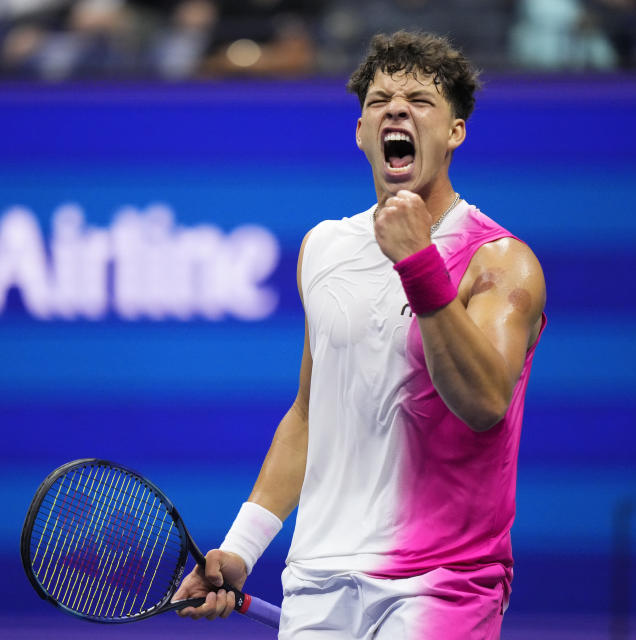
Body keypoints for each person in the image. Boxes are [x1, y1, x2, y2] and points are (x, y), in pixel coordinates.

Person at [174, 29, 546, 639]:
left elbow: (483, 405)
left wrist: (419, 265)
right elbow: (308, 416)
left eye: (420, 101)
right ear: (360, 132)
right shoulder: (322, 248)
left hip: (440, 581)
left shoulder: (500, 262)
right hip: (316, 581)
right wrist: (240, 551)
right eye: (379, 101)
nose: (396, 109)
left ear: (454, 133)